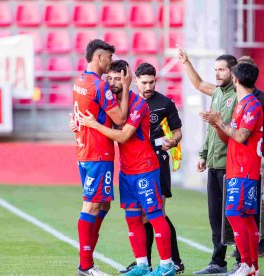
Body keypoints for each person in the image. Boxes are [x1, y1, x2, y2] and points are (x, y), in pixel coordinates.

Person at [78, 60, 176, 276]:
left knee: (155, 215)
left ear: (127, 78)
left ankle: (168, 265)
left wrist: (95, 125)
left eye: (118, 78)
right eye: (109, 78)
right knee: (132, 218)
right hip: (126, 170)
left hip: (145, 168)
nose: (112, 83)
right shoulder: (111, 104)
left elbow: (122, 135)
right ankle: (142, 265)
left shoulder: (138, 104)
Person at [119, 62, 185, 274]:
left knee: (156, 213)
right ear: (135, 81)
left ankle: (173, 261)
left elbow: (177, 132)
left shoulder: (165, 103)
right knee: (140, 214)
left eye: (152, 82)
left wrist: (172, 142)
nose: (148, 86)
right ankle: (143, 262)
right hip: (134, 162)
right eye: (144, 82)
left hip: (157, 160)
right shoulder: (127, 102)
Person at [73, 39, 131, 276]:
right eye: (108, 57)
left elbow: (78, 116)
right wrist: (126, 88)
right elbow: (120, 119)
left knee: (103, 203)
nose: (111, 61)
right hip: (98, 153)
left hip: (85, 151)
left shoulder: (79, 81)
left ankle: (87, 259)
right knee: (92, 204)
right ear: (99, 58)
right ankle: (85, 265)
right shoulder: (100, 86)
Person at [178, 48, 238, 275]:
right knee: (215, 217)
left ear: (233, 73)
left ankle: (242, 261)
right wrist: (204, 155)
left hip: (231, 166)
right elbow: (199, 84)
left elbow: (235, 132)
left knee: (234, 215)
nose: (217, 74)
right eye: (215, 70)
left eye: (221, 69)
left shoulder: (239, 96)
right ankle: (218, 262)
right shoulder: (217, 94)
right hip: (214, 165)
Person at [201, 62, 264, 276]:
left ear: (236, 79)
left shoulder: (252, 105)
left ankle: (247, 264)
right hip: (236, 167)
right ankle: (251, 267)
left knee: (235, 213)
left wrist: (222, 122)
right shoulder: (241, 105)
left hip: (245, 168)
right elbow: (229, 138)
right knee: (243, 215)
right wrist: (217, 124)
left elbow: (240, 136)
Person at [229, 56, 264, 258]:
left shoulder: (261, 99)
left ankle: (259, 239)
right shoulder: (236, 96)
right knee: (235, 203)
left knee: (253, 200)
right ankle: (241, 244)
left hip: (252, 158)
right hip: (235, 157)